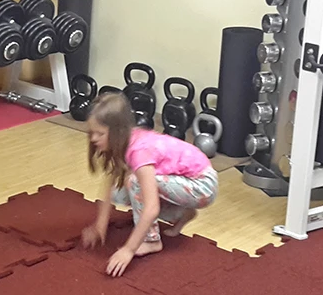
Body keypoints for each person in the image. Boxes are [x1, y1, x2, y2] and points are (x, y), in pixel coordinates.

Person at [81, 92, 219, 277]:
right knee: (119, 192)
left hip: (202, 185)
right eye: (92, 133)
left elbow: (151, 207)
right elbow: (109, 185)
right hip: (185, 182)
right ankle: (180, 213)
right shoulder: (123, 142)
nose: (93, 139)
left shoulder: (138, 151)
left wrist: (129, 249)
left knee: (135, 183)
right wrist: (99, 226)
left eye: (100, 134)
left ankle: (152, 240)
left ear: (117, 132)